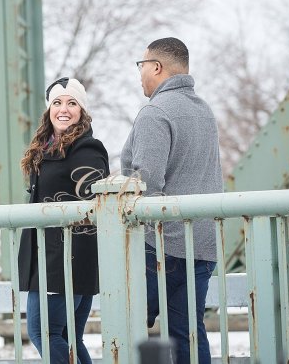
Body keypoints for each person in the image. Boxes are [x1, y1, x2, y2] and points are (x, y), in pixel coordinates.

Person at [120, 37, 223, 364]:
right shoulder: (204, 110)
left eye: (141, 65)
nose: (140, 73)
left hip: (161, 246)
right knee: (187, 333)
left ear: (156, 67)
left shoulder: (155, 112)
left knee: (125, 324)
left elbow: (145, 184)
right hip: (202, 243)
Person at [18, 77, 110, 364]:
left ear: (82, 110)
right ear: (49, 109)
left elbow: (94, 199)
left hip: (64, 259)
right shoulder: (48, 147)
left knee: (43, 333)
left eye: (72, 103)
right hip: (54, 256)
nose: (63, 109)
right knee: (68, 338)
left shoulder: (86, 149)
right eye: (57, 103)